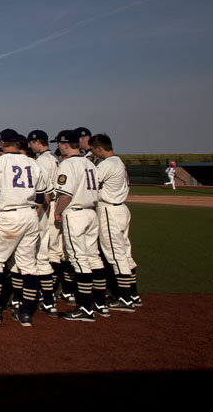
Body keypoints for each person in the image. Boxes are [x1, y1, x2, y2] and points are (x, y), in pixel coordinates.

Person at [0, 129, 47, 327]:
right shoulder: (33, 163)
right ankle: (25, 313)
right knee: (29, 265)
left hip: (8, 215)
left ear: (2, 143)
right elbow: (41, 198)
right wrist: (32, 216)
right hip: (31, 213)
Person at [54, 130, 105, 322]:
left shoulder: (68, 164)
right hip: (92, 212)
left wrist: (58, 211)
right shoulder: (89, 162)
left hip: (75, 213)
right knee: (94, 258)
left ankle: (85, 308)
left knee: (79, 259)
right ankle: (100, 303)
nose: (58, 146)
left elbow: (65, 194)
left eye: (59, 143)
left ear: (65, 144)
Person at [89, 133, 139, 311]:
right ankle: (133, 293)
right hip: (121, 208)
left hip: (110, 210)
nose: (94, 153)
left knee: (116, 255)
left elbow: (91, 180)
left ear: (99, 148)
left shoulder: (108, 163)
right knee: (124, 252)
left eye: (94, 150)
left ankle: (125, 299)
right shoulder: (118, 161)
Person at [29, 129, 61, 316]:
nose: (31, 146)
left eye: (32, 143)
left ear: (37, 142)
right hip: (57, 204)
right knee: (54, 252)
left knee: (43, 253)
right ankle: (50, 295)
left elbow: (44, 193)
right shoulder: (55, 158)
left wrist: (44, 213)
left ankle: (44, 295)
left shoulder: (42, 161)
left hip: (47, 206)